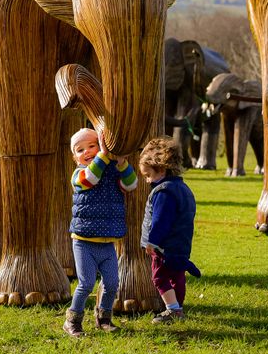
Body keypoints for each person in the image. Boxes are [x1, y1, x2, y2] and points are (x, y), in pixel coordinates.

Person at [63, 127, 137, 337]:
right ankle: (72, 321)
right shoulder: (79, 175)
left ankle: (104, 318)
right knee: (86, 284)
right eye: (80, 150)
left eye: (92, 146)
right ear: (75, 157)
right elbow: (91, 179)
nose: (86, 151)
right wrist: (103, 155)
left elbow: (131, 185)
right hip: (84, 241)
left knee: (112, 283)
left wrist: (122, 163)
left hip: (106, 242)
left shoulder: (112, 170)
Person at [139, 136, 200, 324]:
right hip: (182, 244)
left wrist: (152, 242)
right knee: (177, 276)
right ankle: (178, 307)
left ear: (161, 169)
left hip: (164, 247)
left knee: (159, 277)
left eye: (148, 175)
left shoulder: (163, 192)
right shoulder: (183, 188)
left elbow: (161, 221)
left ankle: (173, 310)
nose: (147, 181)